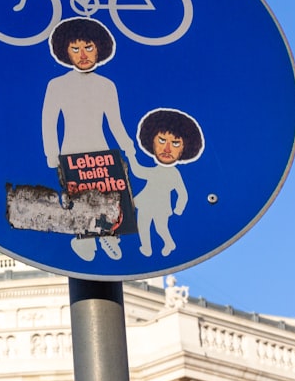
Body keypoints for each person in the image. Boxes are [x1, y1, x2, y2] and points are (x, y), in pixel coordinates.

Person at [41, 18, 138, 261]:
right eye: (75, 49)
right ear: (65, 51)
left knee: (111, 200)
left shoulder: (107, 85)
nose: (83, 55)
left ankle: (109, 235)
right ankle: (84, 242)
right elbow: (49, 122)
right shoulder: (57, 84)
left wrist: (128, 147)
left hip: (102, 149)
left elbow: (115, 122)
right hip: (71, 152)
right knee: (81, 201)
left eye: (89, 47)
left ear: (100, 48)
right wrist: (52, 156)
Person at [129, 108, 204, 257]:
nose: (167, 149)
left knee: (160, 228)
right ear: (151, 141)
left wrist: (178, 209)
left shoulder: (173, 173)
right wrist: (131, 156)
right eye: (162, 141)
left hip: (162, 206)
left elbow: (182, 193)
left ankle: (169, 243)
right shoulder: (156, 170)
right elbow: (139, 172)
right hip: (146, 203)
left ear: (185, 148)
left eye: (175, 143)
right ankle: (146, 249)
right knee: (142, 226)